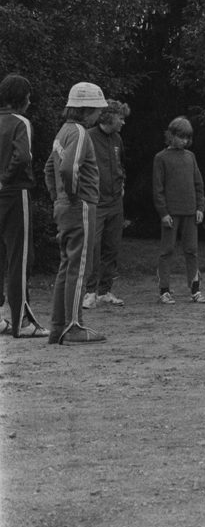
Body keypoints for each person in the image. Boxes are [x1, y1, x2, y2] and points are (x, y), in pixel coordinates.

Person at [43, 82, 108, 344]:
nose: (99, 116)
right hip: (80, 204)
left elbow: (50, 169)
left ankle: (58, 326)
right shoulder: (80, 132)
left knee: (66, 265)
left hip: (65, 205)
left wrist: (58, 197)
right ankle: (74, 326)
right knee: (80, 266)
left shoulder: (63, 132)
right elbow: (69, 169)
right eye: (97, 110)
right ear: (87, 109)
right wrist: (72, 196)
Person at [0, 74, 48, 338]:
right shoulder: (21, 122)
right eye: (28, 96)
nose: (30, 102)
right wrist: (4, 179)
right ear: (21, 98)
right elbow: (23, 156)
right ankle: (22, 321)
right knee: (20, 257)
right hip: (14, 192)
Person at [153, 116, 205, 305]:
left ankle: (195, 290)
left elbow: (198, 184)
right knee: (166, 251)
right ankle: (164, 291)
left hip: (190, 213)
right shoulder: (161, 158)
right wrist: (163, 213)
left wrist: (200, 207)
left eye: (187, 138)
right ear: (171, 135)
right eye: (181, 137)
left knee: (192, 251)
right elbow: (157, 189)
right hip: (170, 214)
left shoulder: (190, 157)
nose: (184, 141)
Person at [82, 100, 129, 309]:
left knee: (112, 247)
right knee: (93, 246)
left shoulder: (118, 138)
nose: (123, 122)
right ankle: (89, 292)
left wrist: (122, 181)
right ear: (110, 116)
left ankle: (104, 291)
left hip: (115, 201)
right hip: (96, 202)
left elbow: (121, 164)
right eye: (121, 118)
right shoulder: (88, 137)